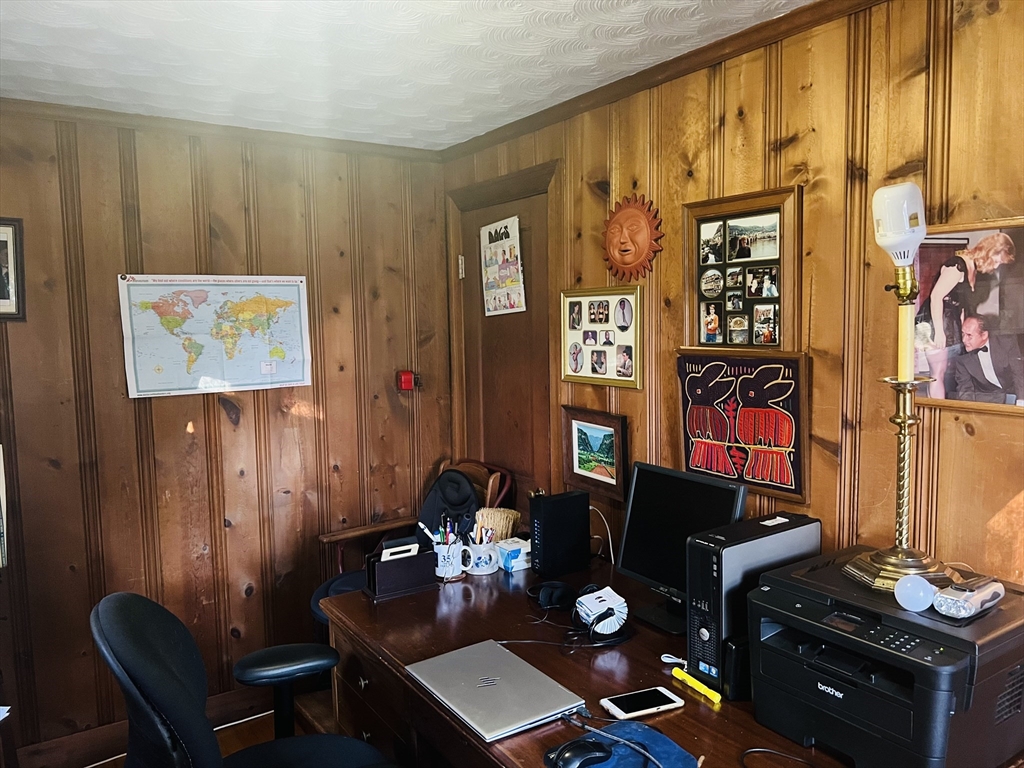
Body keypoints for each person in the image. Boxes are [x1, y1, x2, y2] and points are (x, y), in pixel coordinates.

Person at [916, 233, 1016, 398]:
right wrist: (939, 331)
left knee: (948, 371)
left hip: (951, 320)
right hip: (933, 320)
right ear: (991, 251)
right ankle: (936, 415)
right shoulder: (957, 265)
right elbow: (935, 297)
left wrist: (961, 328)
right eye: (998, 260)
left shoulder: (974, 269)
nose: (997, 265)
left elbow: (961, 305)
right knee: (937, 373)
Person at [951, 315, 1024, 405]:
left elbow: (1019, 374)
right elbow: (965, 390)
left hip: (1015, 395)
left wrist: (1021, 402)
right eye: (963, 334)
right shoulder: (962, 358)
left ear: (984, 335)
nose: (964, 340)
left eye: (969, 335)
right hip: (988, 402)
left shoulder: (1007, 344)